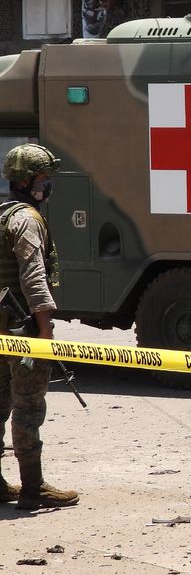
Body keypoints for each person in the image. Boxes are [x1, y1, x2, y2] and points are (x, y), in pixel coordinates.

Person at [0, 143, 79, 510]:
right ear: (29, 182)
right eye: (45, 179)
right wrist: (44, 331)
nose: (48, 186)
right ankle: (33, 487)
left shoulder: (3, 215)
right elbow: (34, 278)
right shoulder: (27, 220)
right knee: (28, 406)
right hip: (21, 332)